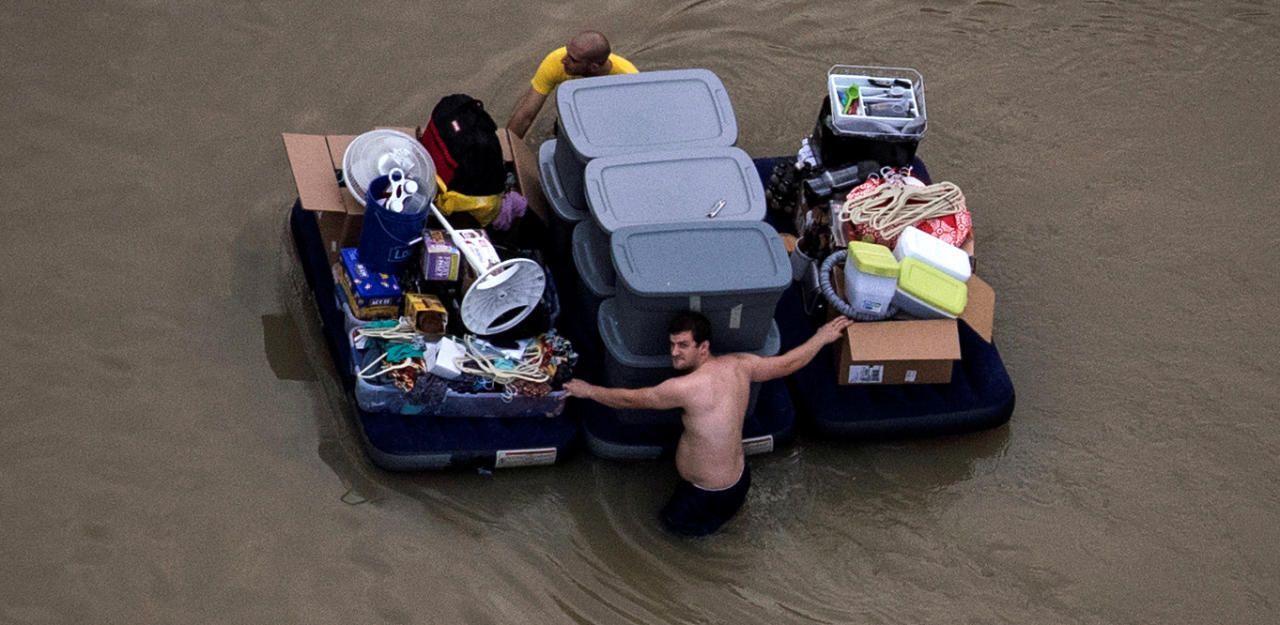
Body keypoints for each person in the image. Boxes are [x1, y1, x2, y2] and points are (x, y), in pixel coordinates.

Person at [564, 312, 853, 536]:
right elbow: (787, 363)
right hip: (739, 480)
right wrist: (821, 337)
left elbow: (630, 400)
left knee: (667, 536)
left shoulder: (684, 388)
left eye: (683, 345)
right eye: (672, 344)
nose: (674, 352)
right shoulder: (740, 365)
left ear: (703, 347)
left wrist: (588, 391)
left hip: (705, 495)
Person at [506, 31, 638, 138]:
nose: (563, 60)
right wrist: (505, 153)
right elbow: (526, 115)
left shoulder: (629, 79)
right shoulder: (555, 61)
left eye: (573, 59)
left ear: (593, 67)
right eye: (567, 52)